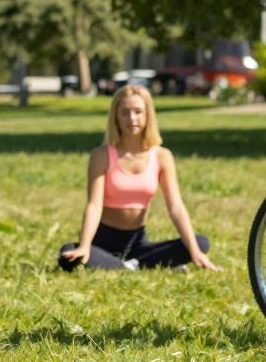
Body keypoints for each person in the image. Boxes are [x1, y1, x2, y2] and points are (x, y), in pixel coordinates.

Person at [58, 85, 217, 272]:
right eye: (125, 112)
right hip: (103, 242)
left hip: (138, 243)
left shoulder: (162, 156)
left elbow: (176, 207)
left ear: (148, 114)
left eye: (138, 112)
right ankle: (136, 266)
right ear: (116, 117)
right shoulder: (101, 156)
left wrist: (194, 250)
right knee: (68, 254)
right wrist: (85, 245)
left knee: (201, 243)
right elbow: (94, 205)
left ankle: (125, 266)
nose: (132, 118)